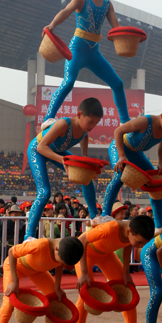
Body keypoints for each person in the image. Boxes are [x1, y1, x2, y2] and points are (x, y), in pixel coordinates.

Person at [42, 0, 129, 125]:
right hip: (77, 49)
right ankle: (47, 119)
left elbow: (116, 28)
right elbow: (66, 11)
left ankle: (125, 122)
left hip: (94, 53)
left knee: (117, 83)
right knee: (68, 82)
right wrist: (52, 25)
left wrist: (128, 38)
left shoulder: (107, 4)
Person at [69, 215, 155, 323]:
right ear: (128, 231)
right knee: (85, 295)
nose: (141, 246)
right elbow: (81, 241)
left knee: (128, 291)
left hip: (107, 255)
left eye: (144, 243)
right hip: (86, 253)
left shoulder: (130, 232)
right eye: (140, 242)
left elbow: (128, 245)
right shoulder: (110, 228)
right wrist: (84, 273)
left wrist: (126, 273)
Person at [25, 98, 103, 240]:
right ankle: (28, 236)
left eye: (96, 123)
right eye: (91, 122)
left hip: (58, 151)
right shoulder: (63, 124)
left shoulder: (85, 129)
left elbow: (85, 136)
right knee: (44, 193)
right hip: (37, 150)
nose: (92, 126)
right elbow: (42, 147)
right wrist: (63, 160)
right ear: (79, 115)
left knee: (85, 176)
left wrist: (84, 156)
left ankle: (94, 216)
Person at [102, 102, 162, 230]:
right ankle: (104, 216)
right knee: (121, 174)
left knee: (155, 185)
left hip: (137, 154)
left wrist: (161, 163)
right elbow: (118, 131)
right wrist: (121, 156)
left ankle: (159, 225)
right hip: (119, 148)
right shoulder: (145, 121)